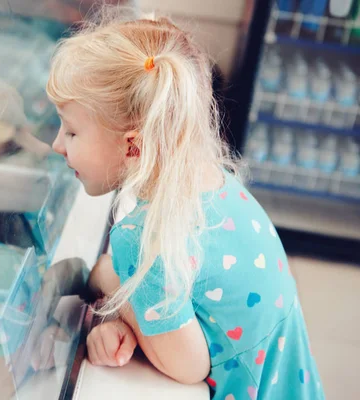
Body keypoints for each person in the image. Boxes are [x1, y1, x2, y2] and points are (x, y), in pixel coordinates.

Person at [45, 9, 324, 400]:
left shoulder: (142, 238)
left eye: (71, 131)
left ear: (133, 146)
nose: (58, 145)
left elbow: (188, 365)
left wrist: (110, 282)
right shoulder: (213, 180)